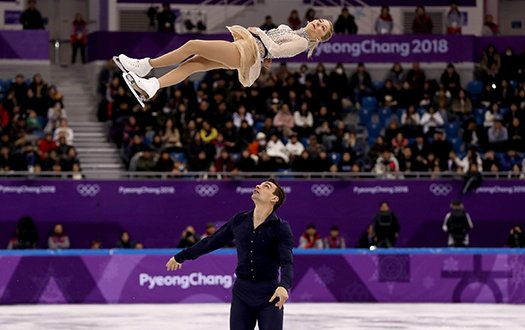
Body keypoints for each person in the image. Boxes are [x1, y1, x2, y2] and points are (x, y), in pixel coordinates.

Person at [114, 19, 333, 107]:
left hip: (248, 51)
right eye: (321, 21)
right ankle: (152, 86)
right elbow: (275, 50)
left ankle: (146, 66)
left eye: (323, 28)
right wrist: (267, 52)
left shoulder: (302, 43)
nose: (319, 24)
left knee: (193, 45)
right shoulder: (290, 30)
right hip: (249, 49)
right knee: (193, 64)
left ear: (319, 38)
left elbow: (275, 48)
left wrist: (259, 34)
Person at [165, 179, 292, 330]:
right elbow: (211, 242)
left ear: (274, 198)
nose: (258, 186)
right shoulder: (239, 220)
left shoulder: (281, 227)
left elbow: (287, 261)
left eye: (266, 186)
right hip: (242, 293)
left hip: (269, 295)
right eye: (260, 184)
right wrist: (181, 256)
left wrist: (284, 286)